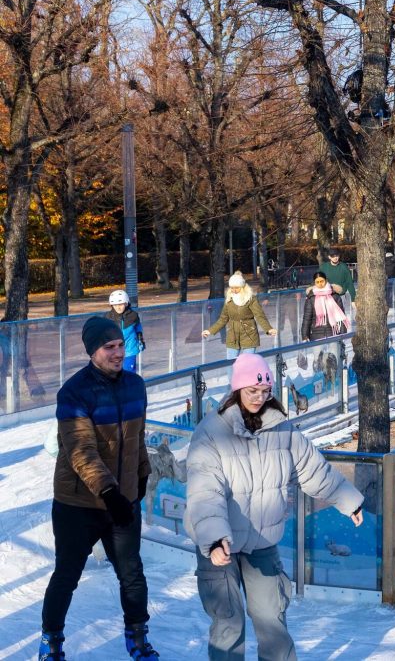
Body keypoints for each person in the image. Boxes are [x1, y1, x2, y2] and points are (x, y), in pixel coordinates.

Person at [185, 353, 364, 660]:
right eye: (252, 391)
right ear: (236, 390)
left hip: (262, 541)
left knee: (272, 621)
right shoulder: (211, 432)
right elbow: (205, 490)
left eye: (265, 391)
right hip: (220, 545)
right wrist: (214, 538)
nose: (259, 397)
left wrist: (347, 501)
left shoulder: (282, 429)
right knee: (228, 623)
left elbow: (313, 469)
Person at [39, 317, 158, 661]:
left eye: (121, 345)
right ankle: (51, 641)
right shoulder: (74, 392)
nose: (118, 353)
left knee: (131, 573)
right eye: (110, 347)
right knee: (67, 574)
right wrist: (109, 492)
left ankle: (138, 637)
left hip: (123, 501)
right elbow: (80, 450)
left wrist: (142, 475)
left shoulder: (136, 386)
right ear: (93, 351)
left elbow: (137, 440)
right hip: (78, 504)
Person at [203, 272, 277, 358]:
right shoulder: (229, 300)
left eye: (236, 288)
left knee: (247, 365)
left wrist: (268, 329)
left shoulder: (250, 299)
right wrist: (210, 331)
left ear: (242, 287)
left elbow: (259, 316)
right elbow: (223, 319)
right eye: (232, 288)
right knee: (231, 365)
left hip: (249, 334)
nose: (234, 290)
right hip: (233, 335)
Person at [301, 271, 350, 341]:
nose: (320, 284)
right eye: (317, 282)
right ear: (314, 283)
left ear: (326, 280)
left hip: (333, 334)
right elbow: (307, 319)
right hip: (316, 336)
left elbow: (341, 317)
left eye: (322, 281)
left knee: (334, 352)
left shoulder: (335, 296)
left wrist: (343, 334)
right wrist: (305, 336)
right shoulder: (311, 298)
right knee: (318, 352)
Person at [105, 289, 145, 374]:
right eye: (115, 305)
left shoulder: (133, 315)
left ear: (126, 303)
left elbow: (138, 327)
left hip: (129, 349)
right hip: (114, 350)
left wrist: (140, 339)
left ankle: (130, 386)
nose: (118, 307)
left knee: (128, 372)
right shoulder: (107, 317)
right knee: (114, 373)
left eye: (120, 304)